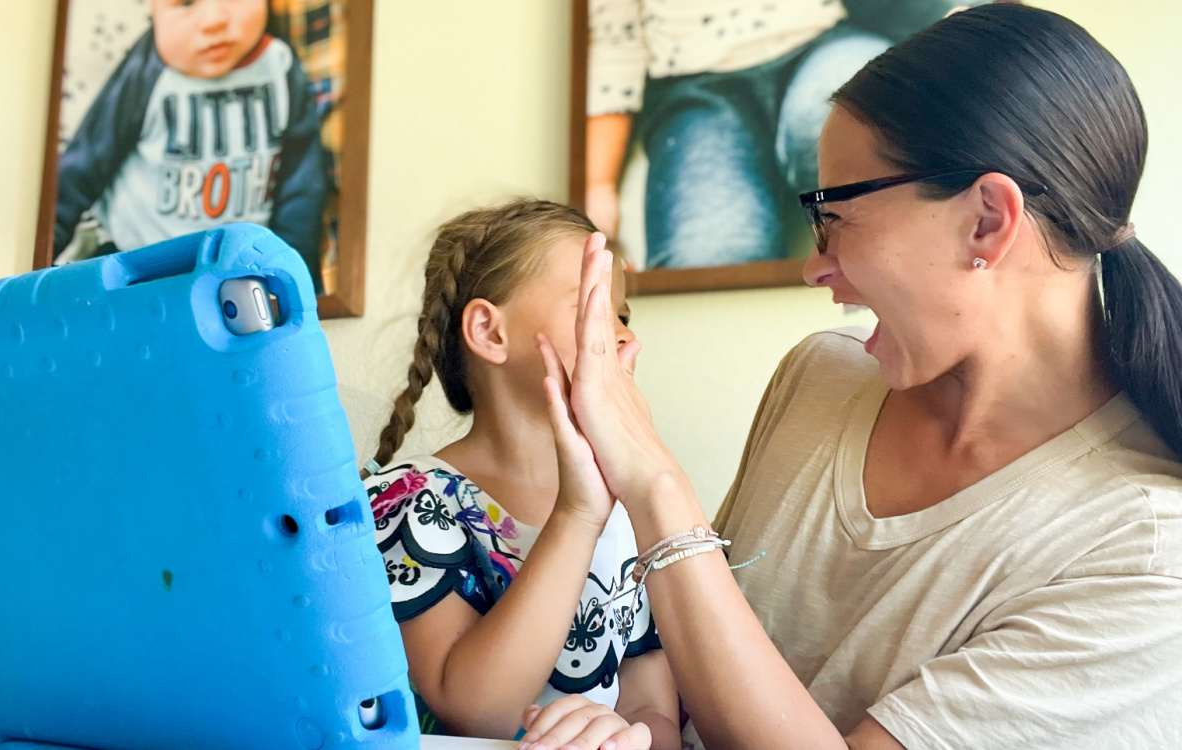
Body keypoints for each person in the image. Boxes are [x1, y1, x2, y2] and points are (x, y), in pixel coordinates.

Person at [534, 5, 1182, 749]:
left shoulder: (1147, 557)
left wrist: (654, 483)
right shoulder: (818, 379)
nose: (817, 266)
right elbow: (696, 663)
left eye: (834, 217)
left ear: (987, 223)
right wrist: (637, 722)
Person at [361, 200, 681, 749]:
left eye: (623, 316)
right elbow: (476, 713)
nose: (626, 338)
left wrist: (629, 734)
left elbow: (655, 709)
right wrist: (578, 515)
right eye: (596, 307)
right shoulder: (408, 501)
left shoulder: (633, 510)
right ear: (489, 331)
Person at [586, 0, 998, 269]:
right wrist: (598, 182)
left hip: (827, 37)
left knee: (852, 143)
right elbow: (612, 41)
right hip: (692, 89)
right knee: (706, 252)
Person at [54, 0, 325, 291]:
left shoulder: (279, 66)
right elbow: (82, 166)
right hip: (138, 264)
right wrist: (40, 253)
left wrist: (292, 277)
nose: (213, 20)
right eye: (185, 3)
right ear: (153, 11)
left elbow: (301, 187)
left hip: (240, 273)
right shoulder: (147, 70)